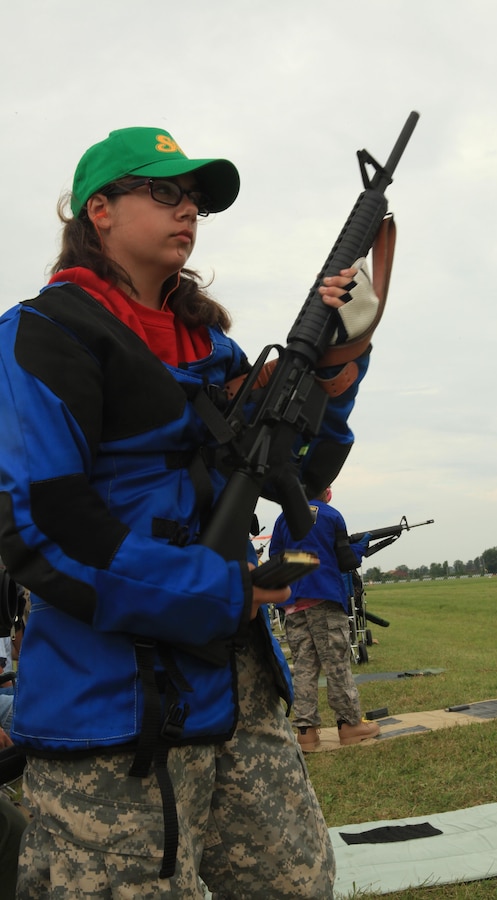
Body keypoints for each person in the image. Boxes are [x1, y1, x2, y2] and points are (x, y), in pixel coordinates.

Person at [0, 126, 380, 898]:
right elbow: (44, 525)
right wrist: (221, 590)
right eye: (166, 191)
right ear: (99, 210)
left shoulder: (212, 348)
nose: (188, 211)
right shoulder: (43, 334)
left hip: (240, 686)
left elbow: (302, 470)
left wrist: (339, 365)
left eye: (195, 201)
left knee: (298, 885)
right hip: (112, 708)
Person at [270, 486, 380, 752]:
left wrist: (309, 559)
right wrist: (360, 548)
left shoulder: (283, 518)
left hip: (293, 603)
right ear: (325, 491)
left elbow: (277, 557)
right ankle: (350, 724)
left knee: (304, 668)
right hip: (324, 599)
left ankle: (306, 732)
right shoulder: (332, 516)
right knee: (336, 665)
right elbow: (345, 561)